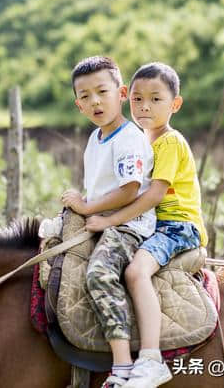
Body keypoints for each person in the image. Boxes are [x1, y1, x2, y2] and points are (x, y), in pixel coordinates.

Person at [85, 62, 208, 388]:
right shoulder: (140, 140)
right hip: (156, 223)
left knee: (135, 272)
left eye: (155, 100)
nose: (144, 107)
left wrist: (111, 220)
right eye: (138, 99)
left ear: (175, 104)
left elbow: (154, 195)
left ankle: (151, 359)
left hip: (175, 225)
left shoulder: (168, 142)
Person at [60, 55, 156, 388]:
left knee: (99, 273)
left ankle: (123, 366)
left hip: (130, 225)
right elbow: (100, 188)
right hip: (104, 218)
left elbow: (129, 190)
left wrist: (87, 209)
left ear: (123, 93)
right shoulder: (96, 138)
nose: (95, 101)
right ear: (78, 105)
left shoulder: (128, 138)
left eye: (102, 91)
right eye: (85, 96)